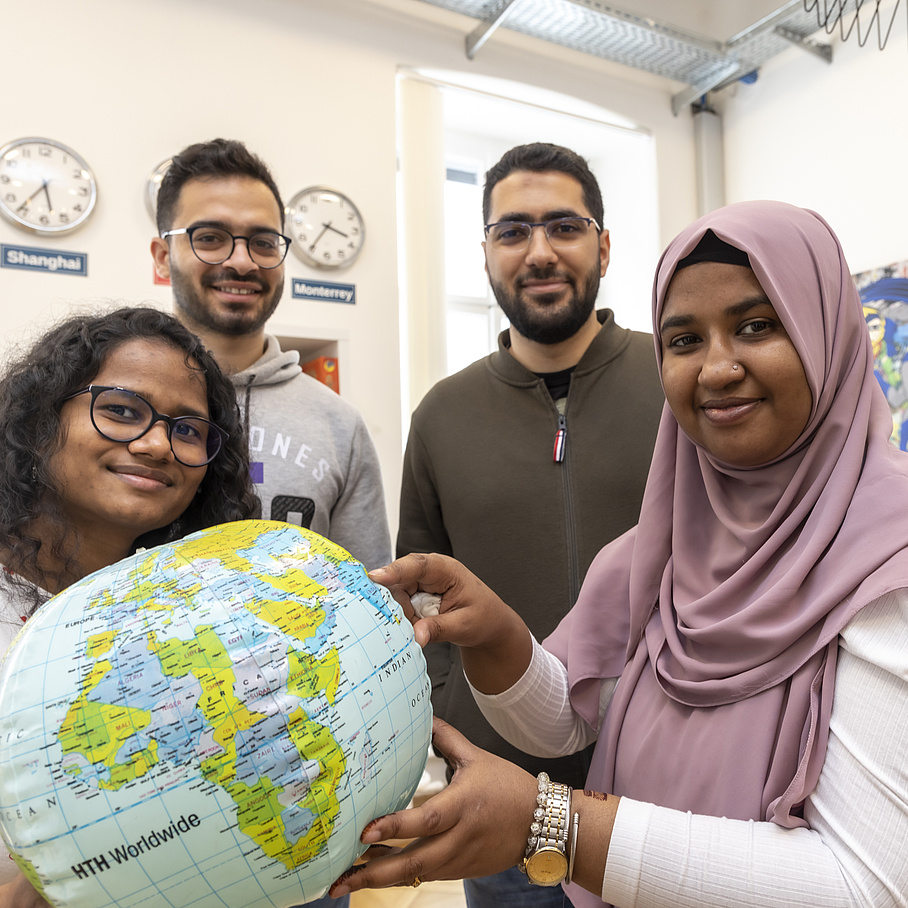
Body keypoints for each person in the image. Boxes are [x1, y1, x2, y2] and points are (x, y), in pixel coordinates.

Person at [330, 200, 908, 908]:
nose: (718, 368)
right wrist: (499, 637)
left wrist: (554, 827)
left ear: (829, 336)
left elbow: (866, 887)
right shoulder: (661, 546)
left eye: (757, 325)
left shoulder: (890, 561)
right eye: (685, 340)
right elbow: (566, 720)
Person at [397, 142, 663, 908]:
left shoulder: (675, 383)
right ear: (485, 253)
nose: (539, 251)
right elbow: (418, 602)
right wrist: (453, 726)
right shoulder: (443, 415)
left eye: (564, 227)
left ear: (604, 246)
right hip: (506, 799)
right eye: (512, 231)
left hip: (665, 792)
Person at [0, 306, 260, 906]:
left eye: (188, 430)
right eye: (120, 410)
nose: (155, 445)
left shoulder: (192, 620)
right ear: (42, 416)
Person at [150, 138, 391, 571]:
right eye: (210, 237)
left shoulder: (340, 427)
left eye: (262, 242)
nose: (242, 261)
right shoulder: (117, 407)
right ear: (162, 257)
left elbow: (370, 602)